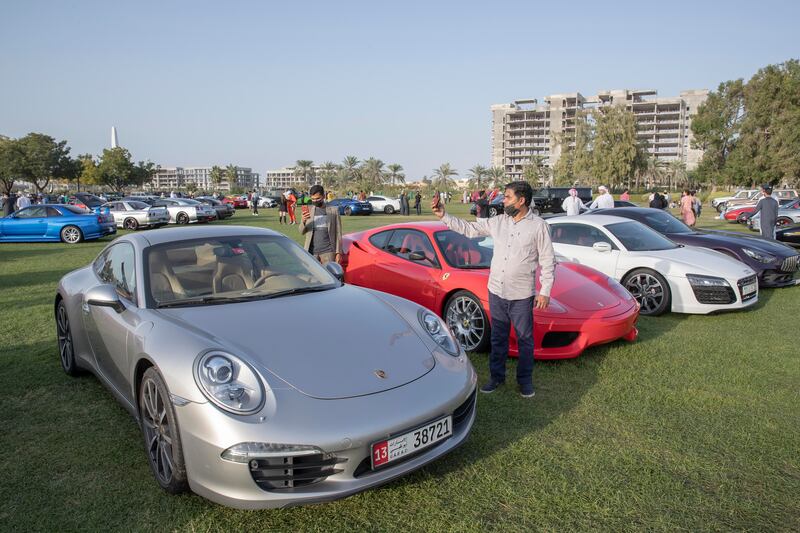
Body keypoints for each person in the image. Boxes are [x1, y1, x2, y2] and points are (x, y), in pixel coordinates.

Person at [432, 181, 555, 398]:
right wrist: (444, 215)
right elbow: (469, 229)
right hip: (496, 291)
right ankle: (496, 378)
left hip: (521, 294)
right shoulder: (498, 222)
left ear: (521, 200)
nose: (503, 200)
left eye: (507, 197)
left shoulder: (538, 226)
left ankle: (524, 381)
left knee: (525, 339)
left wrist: (545, 290)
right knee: (498, 338)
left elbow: (547, 259)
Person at [300, 184, 342, 265]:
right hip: (311, 253)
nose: (315, 201)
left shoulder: (334, 210)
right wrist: (303, 221)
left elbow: (338, 233)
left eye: (318, 198)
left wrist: (338, 252)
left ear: (323, 196)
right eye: (313, 199)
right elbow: (301, 232)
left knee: (329, 276)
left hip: (328, 252)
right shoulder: (308, 210)